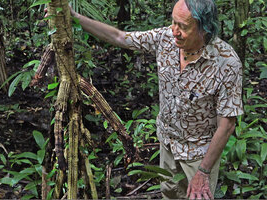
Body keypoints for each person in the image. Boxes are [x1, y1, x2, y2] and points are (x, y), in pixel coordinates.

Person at [49, 0, 244, 199]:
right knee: (170, 194)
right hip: (168, 143)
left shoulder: (226, 63)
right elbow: (120, 37)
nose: (174, 30)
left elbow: (226, 125)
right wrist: (75, 17)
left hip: (199, 154)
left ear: (205, 28)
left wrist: (203, 172)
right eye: (173, 22)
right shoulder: (165, 38)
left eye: (183, 27)